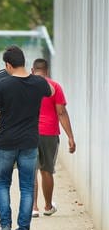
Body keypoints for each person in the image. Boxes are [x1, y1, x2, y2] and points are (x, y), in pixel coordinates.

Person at [0, 45, 54, 230]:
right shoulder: (38, 82)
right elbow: (51, 90)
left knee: (3, 183)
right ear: (23, 62)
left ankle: (5, 226)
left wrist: (3, 113)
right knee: (26, 187)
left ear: (8, 64)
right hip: (30, 142)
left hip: (6, 141)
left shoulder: (3, 85)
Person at [31, 58, 76, 217]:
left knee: (31, 170)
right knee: (46, 170)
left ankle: (33, 208)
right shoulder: (54, 86)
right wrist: (70, 136)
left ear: (32, 70)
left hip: (29, 133)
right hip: (49, 133)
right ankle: (48, 206)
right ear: (47, 71)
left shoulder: (26, 85)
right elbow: (61, 112)